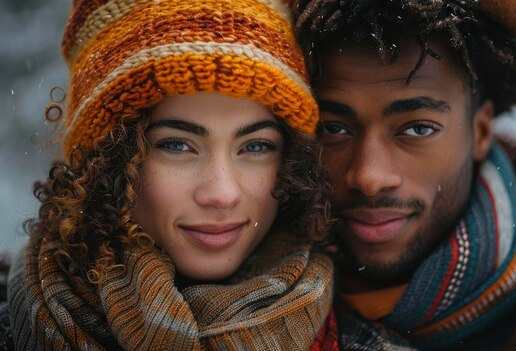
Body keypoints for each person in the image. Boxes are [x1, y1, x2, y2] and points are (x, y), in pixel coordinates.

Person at [0, 0, 341, 349]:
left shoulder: (361, 326)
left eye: (255, 147)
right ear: (107, 162)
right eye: (177, 146)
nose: (223, 194)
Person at [292, 0, 516, 350]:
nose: (369, 177)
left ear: (480, 132)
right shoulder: (249, 309)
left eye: (418, 129)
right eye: (333, 128)